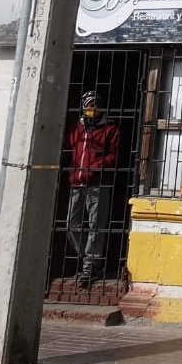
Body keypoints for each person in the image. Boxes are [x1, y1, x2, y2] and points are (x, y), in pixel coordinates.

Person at [66, 91, 120, 290]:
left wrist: (94, 168)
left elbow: (113, 157)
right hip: (76, 182)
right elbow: (71, 151)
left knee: (96, 224)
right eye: (89, 105)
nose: (92, 109)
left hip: (98, 182)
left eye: (95, 105)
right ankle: (90, 258)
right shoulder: (76, 128)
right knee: (72, 225)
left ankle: (91, 265)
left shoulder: (110, 128)